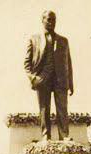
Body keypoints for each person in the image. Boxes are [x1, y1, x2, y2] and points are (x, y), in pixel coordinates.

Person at [24, 10, 74, 140]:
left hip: (60, 79)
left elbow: (68, 62)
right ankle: (46, 135)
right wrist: (33, 78)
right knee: (44, 108)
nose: (52, 22)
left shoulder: (63, 40)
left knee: (62, 109)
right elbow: (27, 63)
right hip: (42, 78)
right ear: (43, 20)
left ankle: (64, 136)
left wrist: (70, 83)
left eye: (54, 20)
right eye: (49, 19)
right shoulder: (34, 39)